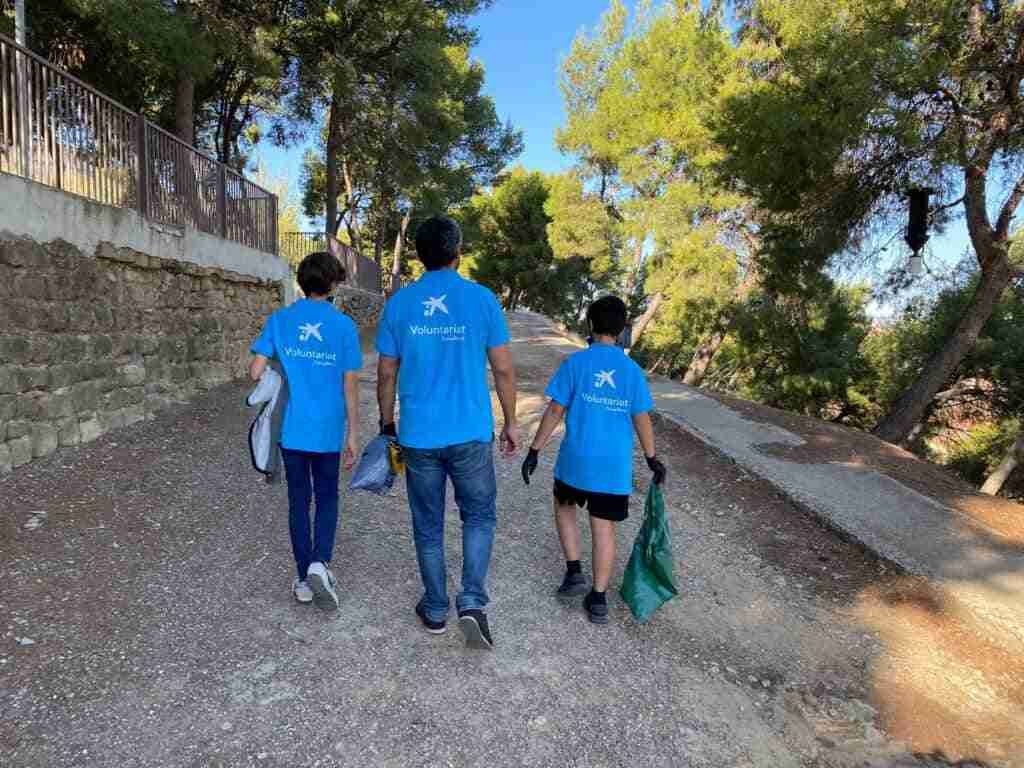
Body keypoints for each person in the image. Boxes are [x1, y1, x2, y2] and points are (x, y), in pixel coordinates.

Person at [376, 215, 517, 650]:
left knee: (428, 524)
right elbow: (504, 368)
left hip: (419, 436)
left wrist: (386, 424)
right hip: (471, 433)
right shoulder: (481, 299)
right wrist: (511, 421)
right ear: (458, 252)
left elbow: (385, 372)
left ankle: (436, 608)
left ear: (419, 255)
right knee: (479, 515)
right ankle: (471, 602)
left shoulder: (399, 304)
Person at [521, 295, 667, 625]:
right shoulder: (632, 372)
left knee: (564, 507)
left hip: (576, 461)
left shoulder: (576, 364)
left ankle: (574, 571)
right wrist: (651, 458)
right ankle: (598, 599)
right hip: (612, 469)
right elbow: (641, 417)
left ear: (590, 325)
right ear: (622, 329)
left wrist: (534, 450)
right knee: (604, 530)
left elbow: (556, 409)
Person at [249, 251, 362, 611]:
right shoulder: (344, 326)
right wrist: (354, 434)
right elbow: (350, 386)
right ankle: (320, 563)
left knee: (299, 502)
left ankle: (302, 579)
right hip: (328, 430)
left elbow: (254, 372)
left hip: (291, 431)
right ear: (332, 284)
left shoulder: (280, 320)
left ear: (302, 281)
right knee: (327, 497)